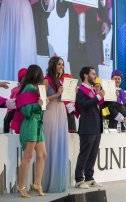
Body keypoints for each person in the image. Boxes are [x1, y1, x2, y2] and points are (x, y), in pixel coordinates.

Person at [16, 65, 47, 198]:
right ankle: (21, 187)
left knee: (42, 155)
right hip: (30, 125)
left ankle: (37, 183)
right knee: (28, 157)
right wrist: (38, 105)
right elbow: (26, 110)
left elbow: (40, 107)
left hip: (38, 125)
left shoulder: (37, 89)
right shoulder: (29, 88)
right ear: (37, 75)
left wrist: (44, 102)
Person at [56, 0, 107, 79]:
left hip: (91, 48)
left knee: (93, 83)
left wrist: (105, 22)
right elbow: (60, 13)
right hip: (75, 48)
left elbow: (103, 15)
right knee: (76, 83)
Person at [42, 56, 69, 193]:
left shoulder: (60, 80)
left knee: (60, 145)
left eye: (62, 65)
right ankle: (46, 183)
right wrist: (57, 94)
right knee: (51, 146)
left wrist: (69, 94)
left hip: (61, 112)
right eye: (59, 64)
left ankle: (58, 181)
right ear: (53, 65)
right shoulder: (46, 80)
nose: (61, 67)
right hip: (51, 113)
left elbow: (62, 97)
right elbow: (41, 101)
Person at [75, 66, 104, 189]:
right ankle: (79, 179)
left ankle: (89, 177)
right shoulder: (81, 90)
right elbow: (83, 105)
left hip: (96, 126)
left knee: (92, 154)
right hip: (87, 126)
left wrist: (98, 97)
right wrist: (97, 97)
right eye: (93, 74)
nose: (95, 76)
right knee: (85, 153)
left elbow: (95, 106)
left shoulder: (91, 90)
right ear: (86, 75)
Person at [0, 0, 37, 81]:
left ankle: (25, 87)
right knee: (5, 47)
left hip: (23, 9)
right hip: (6, 8)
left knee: (23, 46)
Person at [3, 68, 28, 133]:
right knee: (7, 120)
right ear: (20, 78)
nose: (25, 78)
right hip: (14, 110)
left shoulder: (29, 88)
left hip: (23, 111)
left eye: (27, 77)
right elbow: (11, 101)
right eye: (24, 77)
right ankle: (6, 134)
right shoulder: (15, 89)